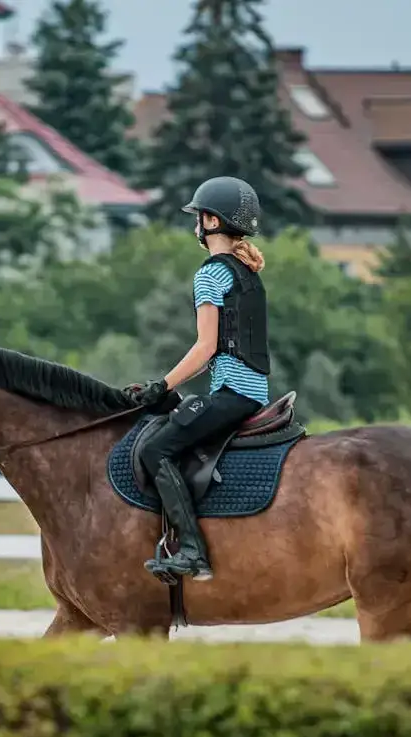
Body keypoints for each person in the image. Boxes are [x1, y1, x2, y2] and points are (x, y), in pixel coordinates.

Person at [125, 175, 271, 582]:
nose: (196, 225)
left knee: (156, 450)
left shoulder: (210, 274)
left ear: (209, 221)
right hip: (254, 392)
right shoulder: (248, 273)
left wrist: (162, 385)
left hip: (232, 394)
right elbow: (228, 348)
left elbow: (206, 347)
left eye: (198, 217)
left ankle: (192, 551)